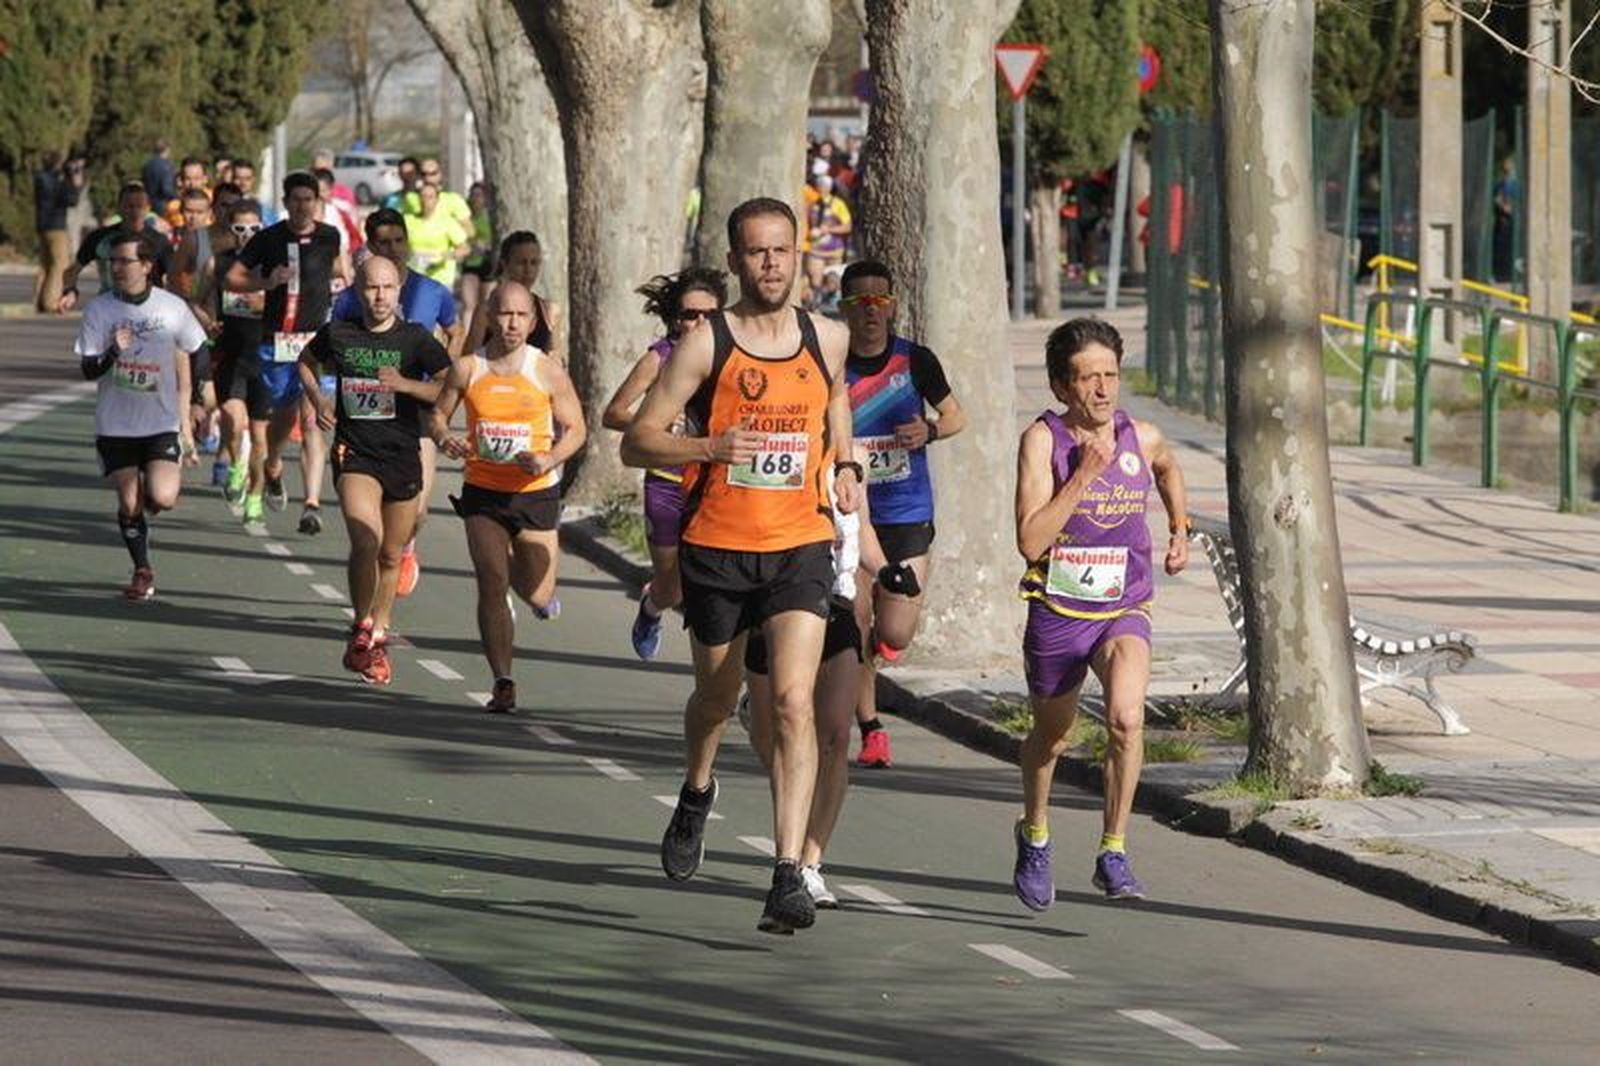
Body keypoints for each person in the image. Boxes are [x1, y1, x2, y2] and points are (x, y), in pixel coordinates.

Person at [621, 196, 861, 935]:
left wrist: (846, 460)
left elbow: (836, 397)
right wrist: (708, 450)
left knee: (792, 704)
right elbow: (637, 441)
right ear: (734, 262)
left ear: (799, 253)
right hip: (720, 546)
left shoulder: (829, 337)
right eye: (756, 252)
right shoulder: (706, 346)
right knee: (717, 702)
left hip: (799, 545)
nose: (771, 264)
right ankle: (698, 789)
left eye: (782, 250)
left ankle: (788, 872)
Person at [1010, 317, 1188, 909]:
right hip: (1059, 608)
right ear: (1063, 387)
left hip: (1123, 605)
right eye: (1088, 378)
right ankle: (1035, 832)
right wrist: (1083, 475)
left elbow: (1167, 467)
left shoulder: (1144, 436)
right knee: (1054, 737)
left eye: (1111, 375)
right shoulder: (1043, 440)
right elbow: (1031, 541)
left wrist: (1179, 529)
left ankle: (1113, 849)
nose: (1103, 389)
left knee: (1125, 718)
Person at [431, 282, 586, 712]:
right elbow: (438, 416)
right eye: (504, 314)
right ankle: (503, 678)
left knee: (536, 593)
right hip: (483, 489)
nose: (512, 323)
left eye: (521, 316)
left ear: (533, 322)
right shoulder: (467, 369)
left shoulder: (546, 370)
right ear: (489, 317)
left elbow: (577, 430)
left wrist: (549, 458)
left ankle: (536, 597)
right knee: (491, 582)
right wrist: (446, 439)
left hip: (535, 492)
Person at [298, 256, 450, 685]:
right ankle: (362, 626)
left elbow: (449, 386)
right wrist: (319, 400)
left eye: (387, 288)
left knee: (390, 554)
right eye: (370, 288)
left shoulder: (415, 339)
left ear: (399, 290)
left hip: (402, 454)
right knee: (366, 538)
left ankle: (377, 633)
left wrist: (406, 386)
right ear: (357, 291)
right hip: (355, 452)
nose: (379, 296)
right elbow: (306, 363)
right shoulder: (340, 333)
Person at [840, 259, 966, 768]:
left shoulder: (916, 361)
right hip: (851, 512)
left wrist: (930, 431)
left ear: (892, 305)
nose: (871, 310)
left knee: (893, 634)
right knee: (856, 622)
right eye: (859, 302)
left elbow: (957, 416)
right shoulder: (832, 363)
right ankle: (870, 728)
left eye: (880, 300)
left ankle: (871, 652)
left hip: (907, 507)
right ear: (844, 309)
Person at [740, 472, 873, 909]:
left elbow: (862, 529)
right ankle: (754, 709)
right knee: (775, 739)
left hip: (836, 607)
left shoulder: (852, 467)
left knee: (835, 735)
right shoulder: (782, 449)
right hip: (778, 607)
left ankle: (808, 865)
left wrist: (890, 570)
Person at [334, 207, 465, 596]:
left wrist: (446, 368)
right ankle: (381, 562)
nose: (391, 249)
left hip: (420, 407)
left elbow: (455, 331)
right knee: (370, 526)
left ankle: (405, 547)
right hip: (367, 418)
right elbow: (332, 345)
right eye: (382, 242)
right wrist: (325, 396)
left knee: (420, 508)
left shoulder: (431, 291)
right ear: (369, 245)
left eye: (397, 241)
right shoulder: (353, 298)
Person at [601, 267, 728, 660]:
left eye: (710, 314)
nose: (700, 322)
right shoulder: (661, 357)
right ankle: (652, 607)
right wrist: (658, 426)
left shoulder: (732, 353)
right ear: (676, 318)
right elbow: (614, 413)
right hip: (667, 480)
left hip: (713, 480)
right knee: (672, 587)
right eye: (691, 314)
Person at [73, 230, 204, 600]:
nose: (116, 268)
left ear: (146, 266)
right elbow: (87, 370)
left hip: (160, 421)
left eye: (124, 261)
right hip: (116, 424)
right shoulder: (101, 309)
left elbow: (196, 348)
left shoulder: (171, 307)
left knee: (162, 497)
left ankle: (143, 511)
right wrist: (114, 350)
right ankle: (142, 569)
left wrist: (196, 399)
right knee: (129, 501)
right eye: (112, 261)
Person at [226, 171, 350, 535]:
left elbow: (340, 271)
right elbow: (233, 278)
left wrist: (346, 289)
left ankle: (311, 504)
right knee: (283, 418)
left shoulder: (330, 236)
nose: (301, 205)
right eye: (295, 199)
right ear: (285, 203)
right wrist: (267, 282)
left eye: (307, 199)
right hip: (277, 340)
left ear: (317, 202)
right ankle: (275, 464)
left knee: (312, 419)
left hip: (319, 341)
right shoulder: (268, 239)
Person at [204, 199, 269, 519]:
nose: (247, 235)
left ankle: (255, 494)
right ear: (230, 231)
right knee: (233, 421)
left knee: (260, 438)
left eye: (254, 229)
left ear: (263, 229)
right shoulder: (219, 263)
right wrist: (208, 320)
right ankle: (236, 466)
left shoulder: (272, 266)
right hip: (230, 354)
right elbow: (198, 299)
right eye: (240, 229)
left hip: (265, 357)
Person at [60, 183, 173, 309]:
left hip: (148, 310)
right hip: (109, 308)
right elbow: (72, 271)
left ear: (148, 209)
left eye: (139, 207)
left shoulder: (159, 241)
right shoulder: (99, 238)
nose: (134, 212)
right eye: (129, 207)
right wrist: (70, 291)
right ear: (119, 208)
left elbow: (173, 277)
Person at [464, 231, 563, 364]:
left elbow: (555, 356)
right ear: (505, 264)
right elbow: (469, 361)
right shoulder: (485, 311)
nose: (528, 270)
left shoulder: (550, 311)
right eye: (521, 263)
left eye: (534, 263)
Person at [33, 151, 85, 314]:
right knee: (59, 265)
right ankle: (51, 302)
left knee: (45, 264)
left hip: (42, 225)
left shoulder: (40, 178)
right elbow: (71, 200)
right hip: (56, 226)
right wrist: (75, 183)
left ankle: (38, 301)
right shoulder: (57, 181)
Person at [404, 182, 470, 291]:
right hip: (415, 276)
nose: (426, 200)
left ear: (437, 200)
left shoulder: (447, 222)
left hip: (441, 278)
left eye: (430, 197)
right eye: (423, 196)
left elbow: (465, 248)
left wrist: (446, 255)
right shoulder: (408, 220)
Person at [803, 172, 852, 301]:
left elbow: (847, 227)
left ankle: (833, 306)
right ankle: (815, 309)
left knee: (833, 282)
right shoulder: (811, 203)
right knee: (815, 282)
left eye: (823, 186)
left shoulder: (838, 204)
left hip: (834, 251)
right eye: (819, 186)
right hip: (815, 249)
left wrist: (829, 229)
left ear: (829, 188)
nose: (820, 189)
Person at [458, 181, 494, 329]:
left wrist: (486, 246)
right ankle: (467, 339)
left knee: (486, 304)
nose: (476, 198)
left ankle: (484, 337)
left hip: (489, 263)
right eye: (473, 195)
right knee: (469, 304)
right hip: (470, 263)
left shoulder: (491, 216)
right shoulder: (464, 216)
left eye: (480, 195)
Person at [141, 141, 176, 209]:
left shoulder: (147, 165)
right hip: (163, 204)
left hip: (148, 203)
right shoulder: (167, 166)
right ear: (167, 150)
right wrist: (177, 198)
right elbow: (167, 189)